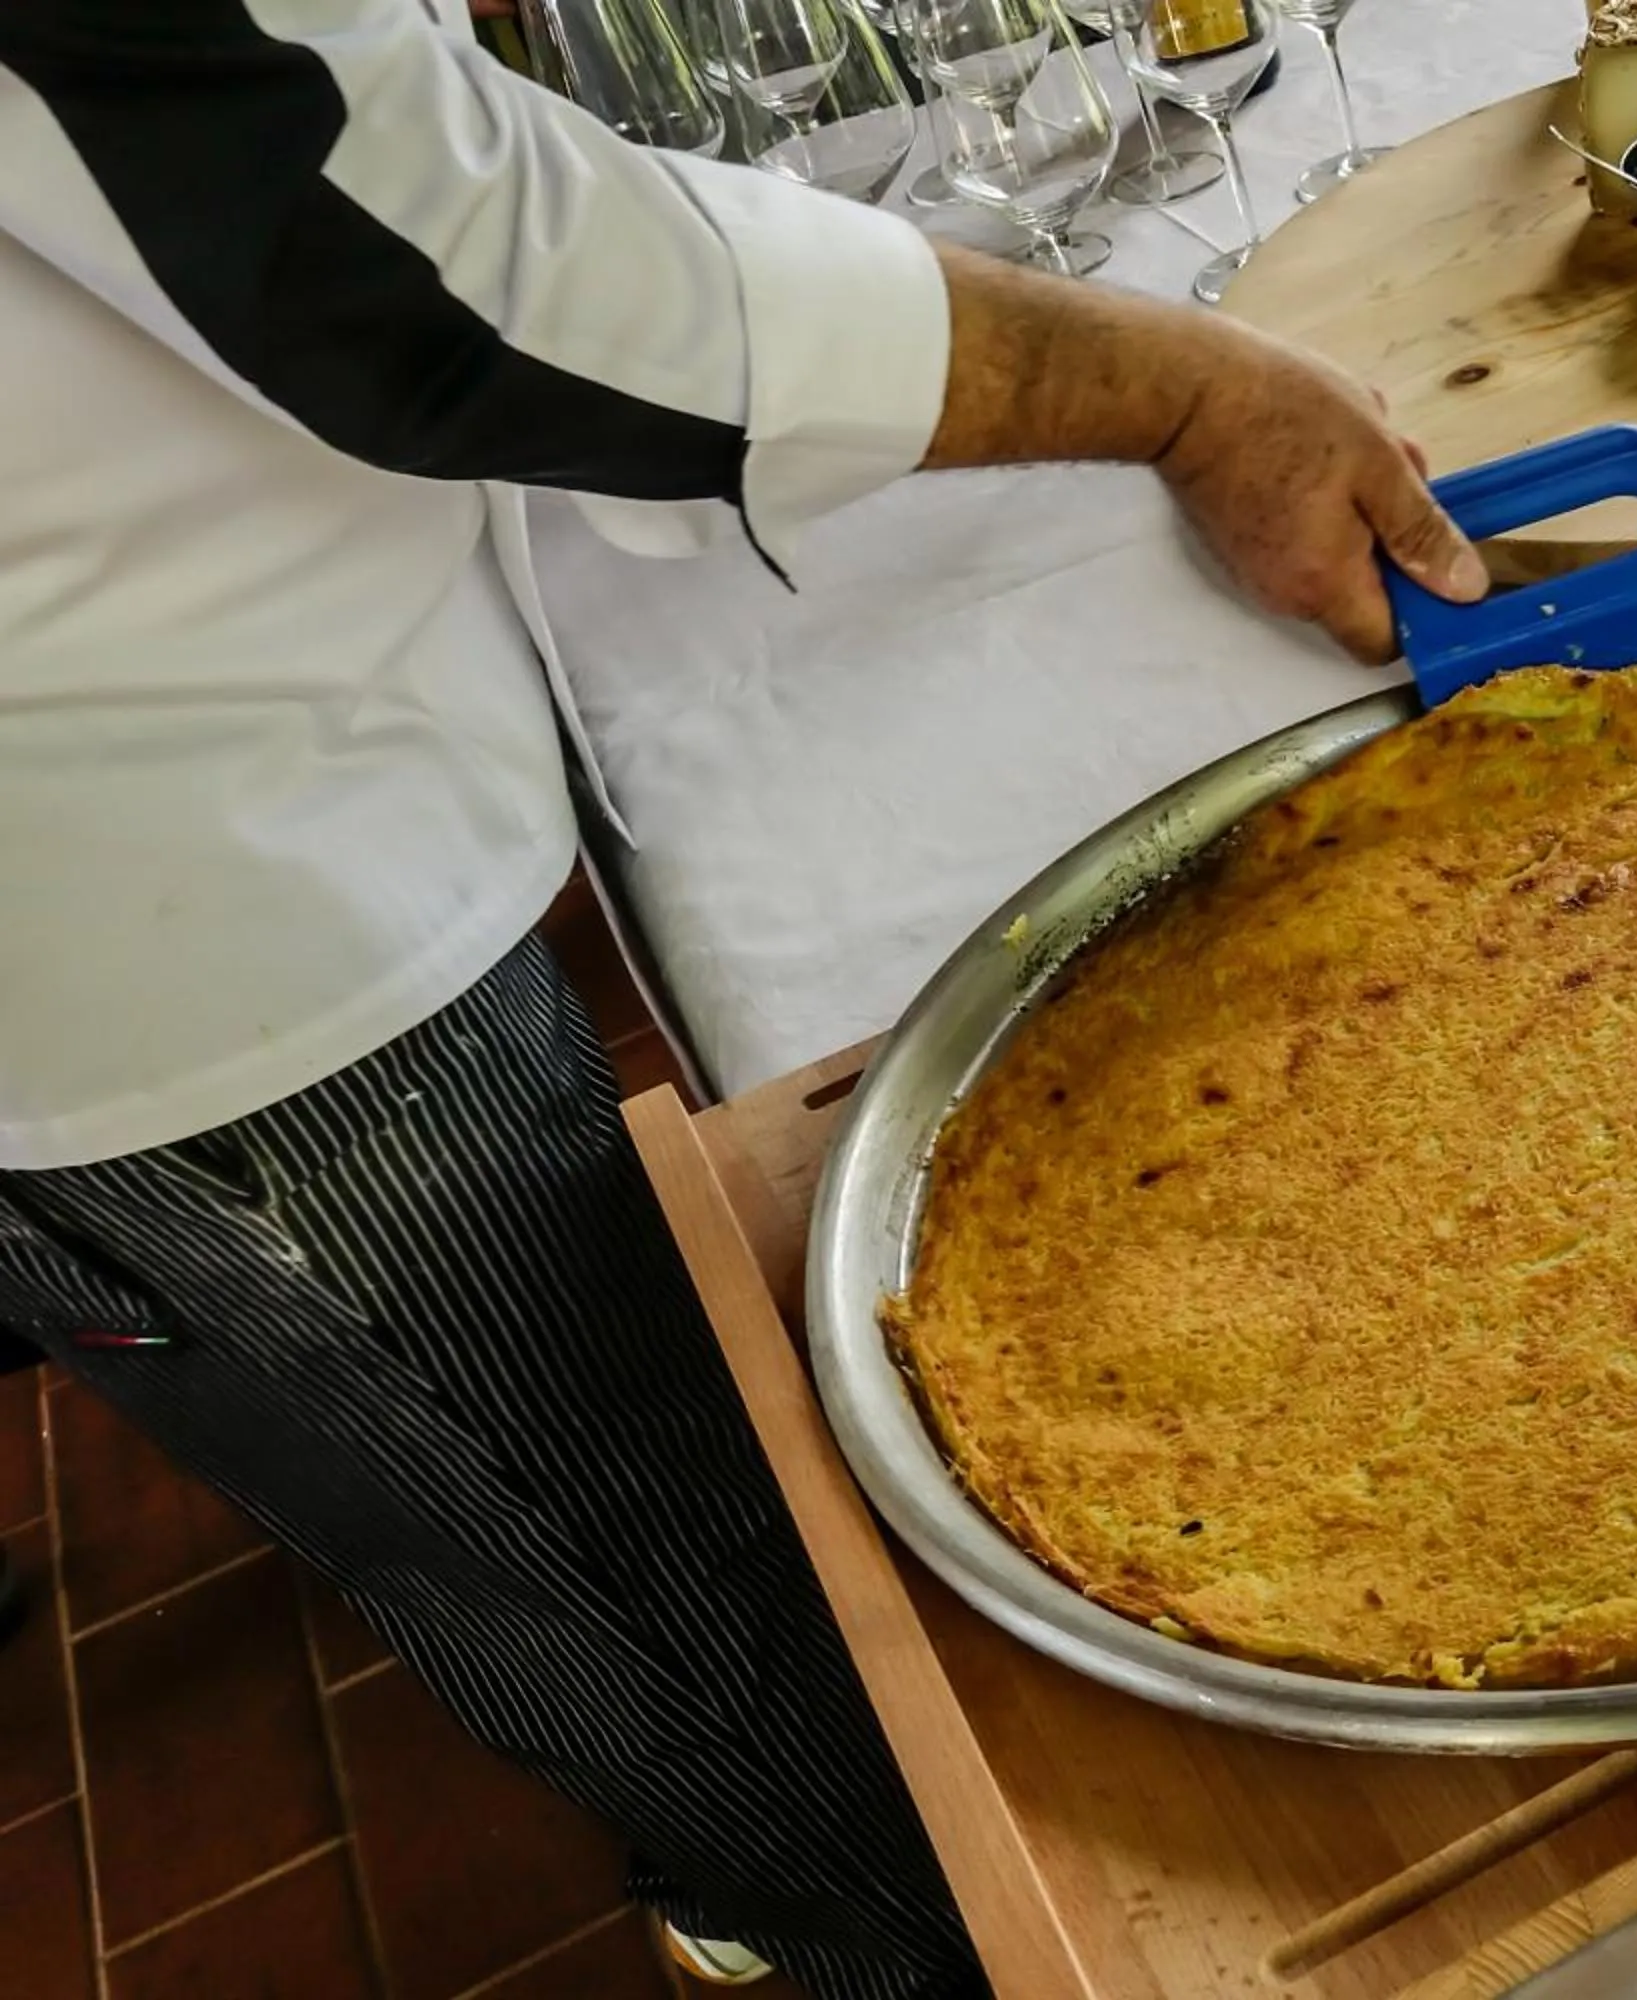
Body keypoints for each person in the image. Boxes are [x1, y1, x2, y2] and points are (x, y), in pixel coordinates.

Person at [0, 1, 1484, 1994]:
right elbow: (470, 276)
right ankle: (870, 1921)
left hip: (220, 778)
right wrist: (1188, 390)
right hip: (182, 934)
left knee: (642, 1488)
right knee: (655, 1596)